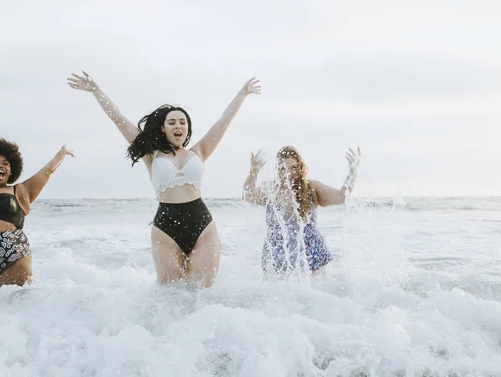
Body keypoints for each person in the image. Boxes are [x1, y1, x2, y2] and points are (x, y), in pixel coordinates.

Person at [67, 71, 261, 287]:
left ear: (187, 128)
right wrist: (96, 90)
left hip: (202, 225)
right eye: (172, 122)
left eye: (182, 122)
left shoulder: (199, 151)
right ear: (163, 127)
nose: (178, 126)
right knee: (170, 296)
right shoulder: (152, 155)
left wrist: (242, 94)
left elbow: (223, 122)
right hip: (166, 228)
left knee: (204, 294)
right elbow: (118, 119)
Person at [0, 126, 74, 291]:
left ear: (11, 169)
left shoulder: (21, 191)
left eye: (5, 164)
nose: (0, 166)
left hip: (12, 256)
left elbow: (47, 172)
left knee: (15, 307)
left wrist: (62, 154)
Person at [243, 145, 361, 277]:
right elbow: (248, 195)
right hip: (276, 251)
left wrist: (353, 171)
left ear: (300, 167)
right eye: (283, 168)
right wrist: (254, 170)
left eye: (293, 167)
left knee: (313, 294)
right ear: (278, 170)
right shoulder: (271, 189)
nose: (289, 173)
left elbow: (342, 196)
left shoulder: (311, 188)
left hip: (310, 250)